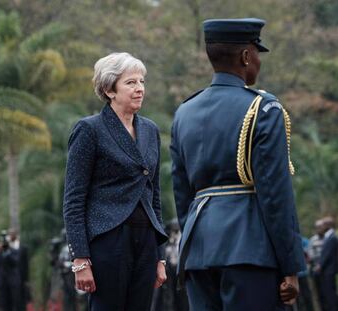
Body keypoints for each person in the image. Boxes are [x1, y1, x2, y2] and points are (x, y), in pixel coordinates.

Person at [170, 18, 306, 310]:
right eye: (257, 52)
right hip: (250, 251)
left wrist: (196, 241)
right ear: (246, 56)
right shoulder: (263, 108)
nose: (258, 60)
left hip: (199, 251)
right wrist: (291, 265)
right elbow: (274, 194)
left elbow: (182, 194)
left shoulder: (184, 112)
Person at [63, 52, 168, 311]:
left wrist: (160, 256)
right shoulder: (89, 129)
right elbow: (74, 199)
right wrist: (80, 259)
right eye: (130, 83)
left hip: (145, 241)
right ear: (110, 90)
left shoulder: (151, 130)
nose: (140, 89)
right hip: (108, 241)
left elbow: (154, 195)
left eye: (142, 81)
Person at [0, 231, 23, 311]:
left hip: (12, 282)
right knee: (3, 304)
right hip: (2, 282)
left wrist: (8, 252)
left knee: (14, 304)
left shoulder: (13, 250)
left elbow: (16, 262)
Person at [317, 216, 338, 311]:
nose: (321, 226)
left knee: (330, 293)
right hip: (327, 270)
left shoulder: (332, 237)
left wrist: (320, 265)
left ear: (328, 225)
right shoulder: (328, 236)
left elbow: (327, 254)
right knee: (327, 293)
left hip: (329, 270)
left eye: (323, 224)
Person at [308, 219, 326, 308]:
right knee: (319, 293)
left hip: (326, 269)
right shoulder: (313, 240)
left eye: (321, 227)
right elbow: (310, 253)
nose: (320, 229)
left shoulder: (328, 238)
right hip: (316, 270)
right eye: (318, 227)